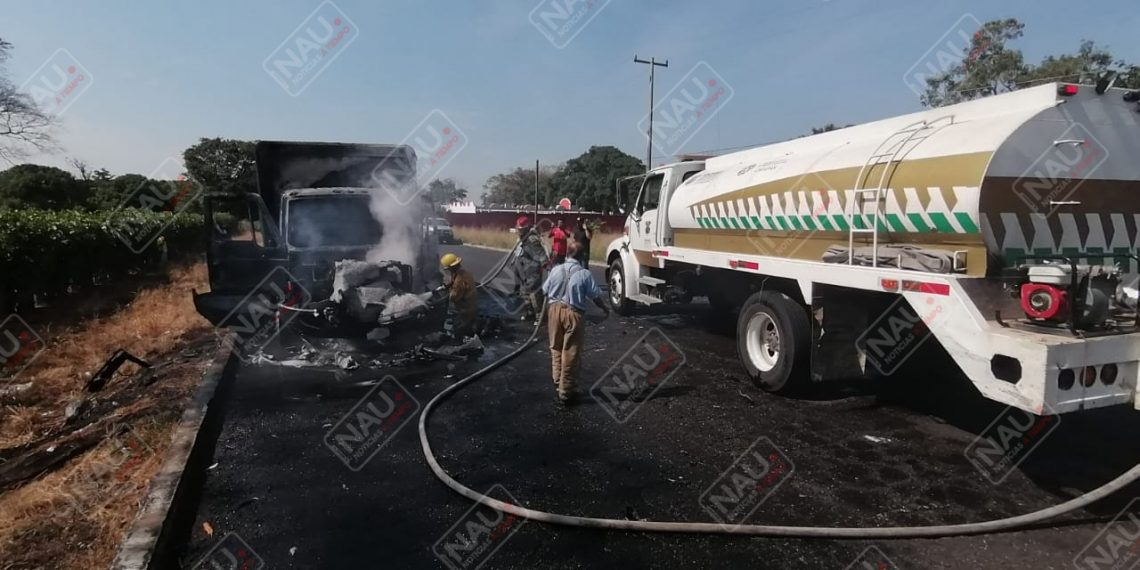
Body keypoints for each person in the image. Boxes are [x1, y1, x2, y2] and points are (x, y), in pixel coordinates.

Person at [542, 235, 610, 405]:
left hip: (553, 311)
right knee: (570, 353)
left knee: (555, 348)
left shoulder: (556, 269)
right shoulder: (584, 274)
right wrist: (604, 308)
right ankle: (566, 393)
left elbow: (544, 290)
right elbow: (595, 296)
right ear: (581, 256)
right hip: (573, 314)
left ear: (567, 254)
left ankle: (558, 382)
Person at [512, 216, 549, 323]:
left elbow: (541, 254)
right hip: (523, 270)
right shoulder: (522, 238)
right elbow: (518, 252)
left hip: (532, 270)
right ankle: (530, 313)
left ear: (526, 228)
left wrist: (545, 264)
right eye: (519, 229)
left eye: (521, 229)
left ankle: (540, 317)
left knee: (535, 293)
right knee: (524, 293)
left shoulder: (532, 239)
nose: (519, 231)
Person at [440, 253, 476, 336]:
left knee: (458, 331)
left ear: (451, 267)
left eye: (448, 268)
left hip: (465, 308)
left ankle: (463, 335)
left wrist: (446, 295)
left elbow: (454, 297)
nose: (448, 270)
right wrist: (446, 286)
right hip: (471, 303)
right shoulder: (462, 272)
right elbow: (453, 281)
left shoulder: (459, 281)